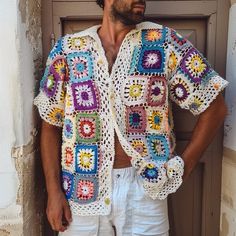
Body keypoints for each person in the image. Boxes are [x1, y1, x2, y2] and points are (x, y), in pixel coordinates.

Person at [34, 0, 228, 235]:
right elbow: (50, 123)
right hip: (82, 189)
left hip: (146, 189)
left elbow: (215, 107)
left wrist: (183, 168)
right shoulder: (69, 49)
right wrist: (53, 192)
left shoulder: (164, 43)